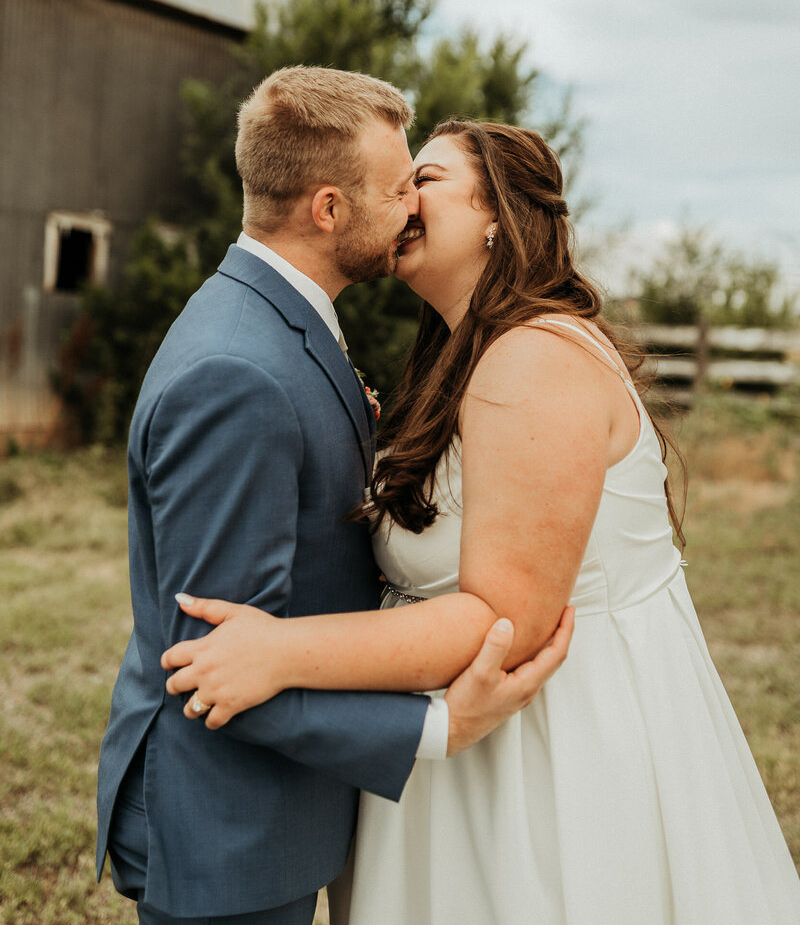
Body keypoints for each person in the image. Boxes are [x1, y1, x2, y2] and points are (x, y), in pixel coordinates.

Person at [163, 119, 800, 925]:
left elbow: (506, 616)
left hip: (557, 757)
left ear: (498, 211)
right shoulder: (458, 357)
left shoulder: (535, 355)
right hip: (461, 752)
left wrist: (278, 652)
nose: (399, 200)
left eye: (421, 178)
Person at [96, 70, 573, 925]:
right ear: (327, 209)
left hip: (273, 812)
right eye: (397, 190)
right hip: (227, 832)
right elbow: (214, 663)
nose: (411, 209)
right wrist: (435, 729)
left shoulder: (279, 321)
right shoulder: (238, 375)